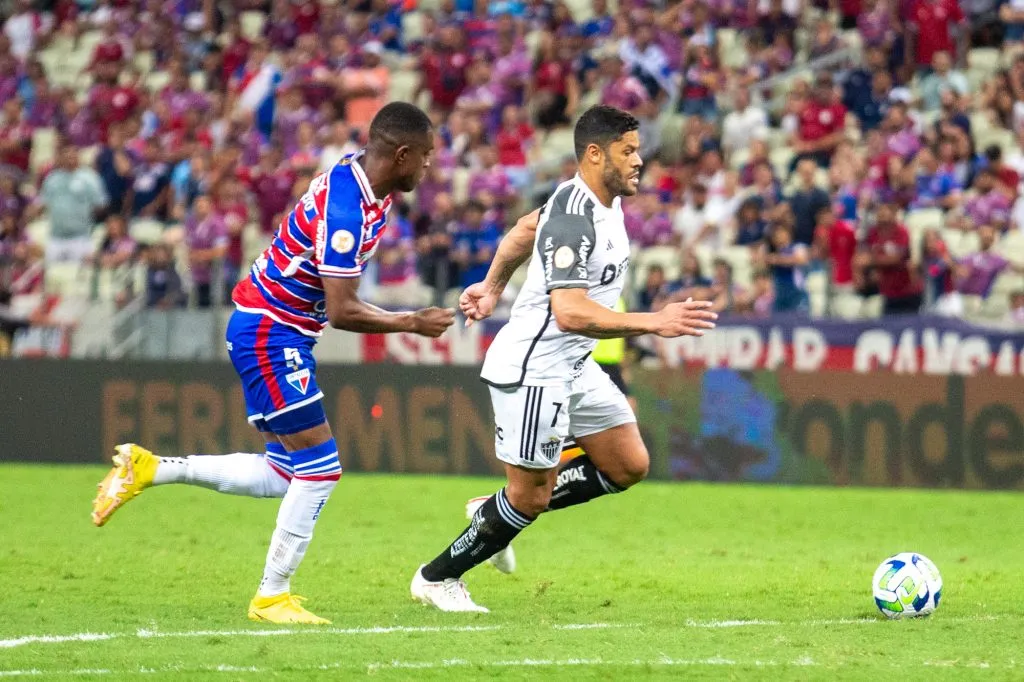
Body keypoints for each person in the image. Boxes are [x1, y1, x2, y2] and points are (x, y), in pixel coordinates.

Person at [90, 103, 458, 625]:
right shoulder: (349, 208)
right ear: (401, 155)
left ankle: (152, 469)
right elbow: (343, 309)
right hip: (271, 331)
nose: (428, 169)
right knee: (322, 469)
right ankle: (271, 595)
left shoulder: (361, 180)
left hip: (272, 328)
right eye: (424, 158)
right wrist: (411, 322)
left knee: (288, 472)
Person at [410, 105, 717, 612]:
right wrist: (654, 321)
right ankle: (437, 577)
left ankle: (494, 511)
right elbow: (570, 311)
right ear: (595, 154)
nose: (640, 160)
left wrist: (490, 287)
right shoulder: (577, 216)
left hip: (573, 366)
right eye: (629, 151)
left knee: (627, 464)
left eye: (638, 149)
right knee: (529, 497)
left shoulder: (594, 200)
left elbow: (521, 232)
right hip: (536, 369)